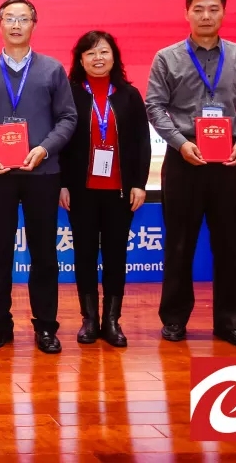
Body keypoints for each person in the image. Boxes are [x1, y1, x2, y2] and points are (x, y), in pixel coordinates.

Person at [146, 0, 236, 349]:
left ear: (223, 13)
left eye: (213, 9)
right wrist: (180, 143)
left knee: (228, 244)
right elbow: (154, 106)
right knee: (179, 244)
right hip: (185, 159)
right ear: (187, 13)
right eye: (198, 9)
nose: (206, 16)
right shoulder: (167, 57)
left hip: (228, 160)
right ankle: (174, 319)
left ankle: (230, 323)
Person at [0, 0, 77, 354]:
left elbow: (68, 118)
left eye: (24, 19)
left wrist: (44, 148)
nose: (16, 25)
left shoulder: (52, 70)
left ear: (34, 24)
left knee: (44, 251)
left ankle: (46, 326)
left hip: (42, 171)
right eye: (10, 18)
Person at [58, 31, 151, 347]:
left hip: (119, 191)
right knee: (84, 253)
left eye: (104, 52)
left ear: (114, 57)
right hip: (81, 190)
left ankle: (112, 321)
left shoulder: (129, 95)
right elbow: (61, 143)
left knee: (115, 254)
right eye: (90, 53)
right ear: (80, 60)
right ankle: (89, 320)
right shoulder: (70, 94)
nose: (98, 58)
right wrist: (62, 184)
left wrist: (139, 183)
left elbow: (142, 142)